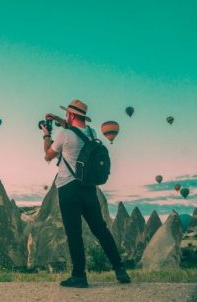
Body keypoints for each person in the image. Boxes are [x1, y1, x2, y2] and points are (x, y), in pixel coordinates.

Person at [41, 99, 131, 288]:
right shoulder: (92, 133)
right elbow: (75, 130)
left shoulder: (64, 135)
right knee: (100, 229)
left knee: (74, 233)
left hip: (68, 188)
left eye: (67, 114)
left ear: (71, 115)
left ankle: (79, 276)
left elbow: (48, 155)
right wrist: (58, 118)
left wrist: (46, 134)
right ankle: (120, 268)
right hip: (89, 188)